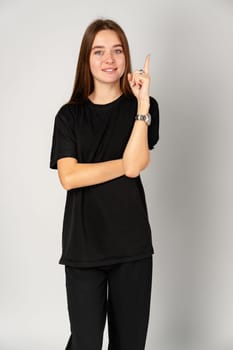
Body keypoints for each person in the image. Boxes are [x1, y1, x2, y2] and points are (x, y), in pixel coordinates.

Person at [50, 18, 159, 350]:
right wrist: (121, 164)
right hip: (84, 246)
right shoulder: (69, 116)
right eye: (99, 51)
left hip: (132, 247)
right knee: (85, 343)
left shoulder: (144, 108)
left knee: (129, 344)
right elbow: (69, 177)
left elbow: (137, 163)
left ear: (126, 57)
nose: (109, 59)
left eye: (117, 50)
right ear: (87, 59)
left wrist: (141, 105)